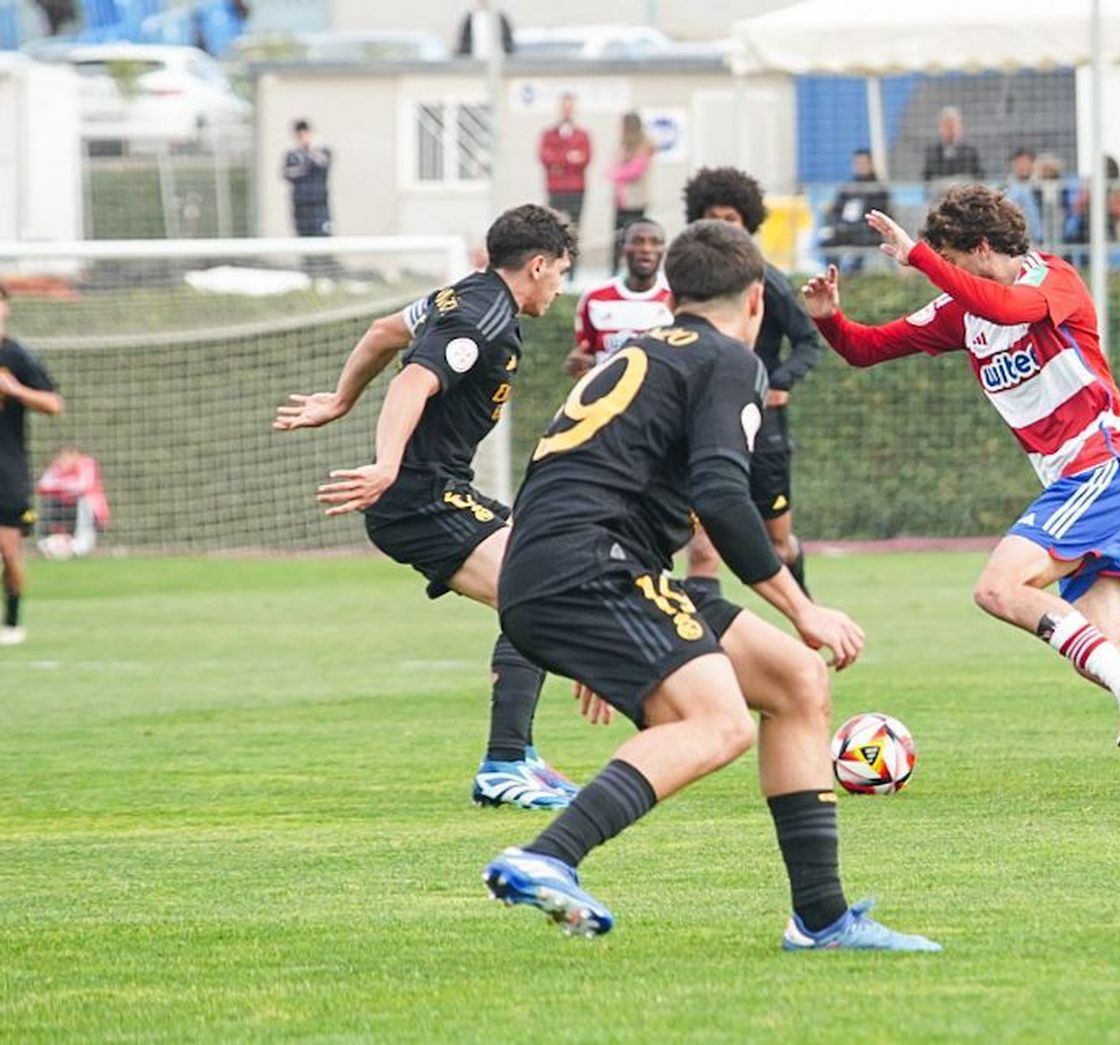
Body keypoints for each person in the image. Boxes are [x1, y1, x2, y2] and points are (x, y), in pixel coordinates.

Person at [482, 219, 939, 951]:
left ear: (673, 294)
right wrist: (803, 606)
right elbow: (724, 496)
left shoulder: (648, 349)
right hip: (591, 566)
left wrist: (620, 638)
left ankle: (821, 919)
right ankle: (547, 855)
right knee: (718, 721)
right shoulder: (729, 360)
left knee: (795, 681)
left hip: (578, 565)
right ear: (757, 298)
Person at [802, 187, 1120, 803]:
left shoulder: (1054, 280)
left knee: (996, 587)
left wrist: (917, 256)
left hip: (1104, 472)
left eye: (952, 261)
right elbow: (866, 349)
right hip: (1097, 485)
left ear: (984, 248)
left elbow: (1010, 308)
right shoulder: (959, 310)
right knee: (1107, 656)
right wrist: (830, 318)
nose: (947, 277)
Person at [273, 204, 585, 811]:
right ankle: (503, 765)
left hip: (437, 491)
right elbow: (411, 380)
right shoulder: (481, 316)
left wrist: (341, 399)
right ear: (539, 265)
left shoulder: (461, 295)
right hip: (418, 498)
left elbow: (384, 333)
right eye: (561, 273)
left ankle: (517, 757)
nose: (559, 287)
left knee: (540, 574)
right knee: (536, 591)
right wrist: (387, 465)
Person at [679, 167, 823, 601]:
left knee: (777, 543)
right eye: (713, 216)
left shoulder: (768, 281)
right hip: (707, 422)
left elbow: (807, 341)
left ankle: (807, 619)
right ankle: (698, 645)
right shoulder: (692, 285)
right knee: (702, 546)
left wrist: (780, 382)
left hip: (764, 426)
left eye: (732, 217)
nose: (723, 225)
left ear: (748, 223)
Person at [0, 283, 65, 647]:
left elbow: (54, 404)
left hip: (6, 467)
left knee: (9, 552)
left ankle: (11, 621)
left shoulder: (17, 355)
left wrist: (14, 390)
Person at [566, 218, 673, 377]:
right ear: (623, 248)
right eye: (637, 241)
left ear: (663, 250)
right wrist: (577, 365)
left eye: (655, 242)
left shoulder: (675, 296)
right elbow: (584, 354)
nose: (646, 249)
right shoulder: (595, 297)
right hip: (608, 397)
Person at [817, 149, 891, 274]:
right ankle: (835, 274)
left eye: (863, 163)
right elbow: (836, 209)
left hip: (866, 231)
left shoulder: (878, 189)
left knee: (861, 240)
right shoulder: (848, 188)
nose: (860, 167)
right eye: (857, 163)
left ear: (871, 164)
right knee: (827, 240)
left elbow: (878, 214)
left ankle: (854, 274)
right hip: (844, 229)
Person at [35, 446, 108, 559]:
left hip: (91, 511)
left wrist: (60, 485)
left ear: (76, 456)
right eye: (61, 458)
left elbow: (84, 486)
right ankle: (46, 541)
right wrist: (65, 486)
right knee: (46, 501)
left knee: (85, 499)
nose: (63, 461)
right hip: (65, 508)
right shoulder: (57, 466)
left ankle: (82, 543)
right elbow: (43, 485)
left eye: (67, 458)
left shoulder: (87, 464)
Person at [608, 112, 655, 273]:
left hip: (635, 202)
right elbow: (611, 166)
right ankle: (614, 271)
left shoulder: (644, 146)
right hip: (621, 202)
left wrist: (616, 174)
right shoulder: (622, 146)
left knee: (634, 239)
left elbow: (636, 171)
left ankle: (635, 270)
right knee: (617, 239)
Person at [540, 93, 591, 234]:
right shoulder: (549, 134)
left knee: (574, 226)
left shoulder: (582, 135)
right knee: (554, 225)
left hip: (576, 188)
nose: (567, 111)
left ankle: (573, 255)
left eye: (570, 107)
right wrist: (568, 157)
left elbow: (585, 159)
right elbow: (545, 158)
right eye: (564, 107)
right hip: (556, 187)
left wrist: (558, 162)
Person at [282, 120, 332, 238]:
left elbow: (323, 163)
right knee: (303, 239)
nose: (302, 138)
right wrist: (304, 167)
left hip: (319, 204)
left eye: (305, 134)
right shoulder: (293, 155)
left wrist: (310, 151)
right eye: (299, 135)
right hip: (301, 206)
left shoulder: (322, 151)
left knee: (323, 238)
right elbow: (287, 173)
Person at [921, 106, 983, 183]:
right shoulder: (932, 152)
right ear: (940, 128)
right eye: (947, 126)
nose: (951, 130)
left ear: (960, 127)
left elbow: (979, 176)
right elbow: (927, 178)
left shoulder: (970, 151)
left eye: (953, 126)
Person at [1004, 148, 1045, 244]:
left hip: (1039, 240)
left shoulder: (1041, 188)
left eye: (1025, 162)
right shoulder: (1005, 188)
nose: (1022, 166)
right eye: (1019, 163)